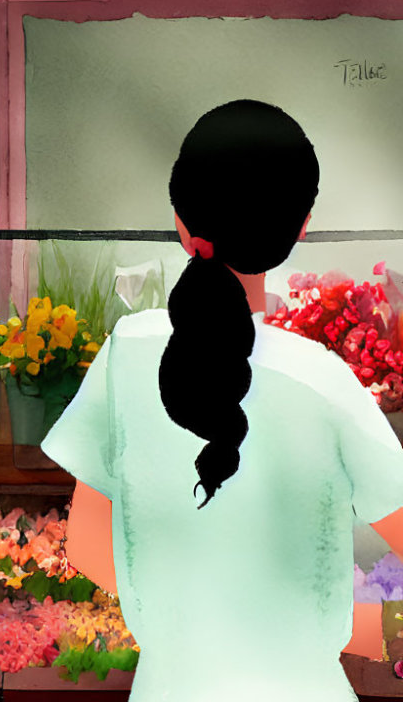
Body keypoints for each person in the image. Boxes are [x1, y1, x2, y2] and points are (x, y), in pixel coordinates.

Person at [40, 99, 403, 702]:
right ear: (301, 225)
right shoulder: (326, 381)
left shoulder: (126, 352)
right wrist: (347, 628)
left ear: (182, 221)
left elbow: (85, 545)